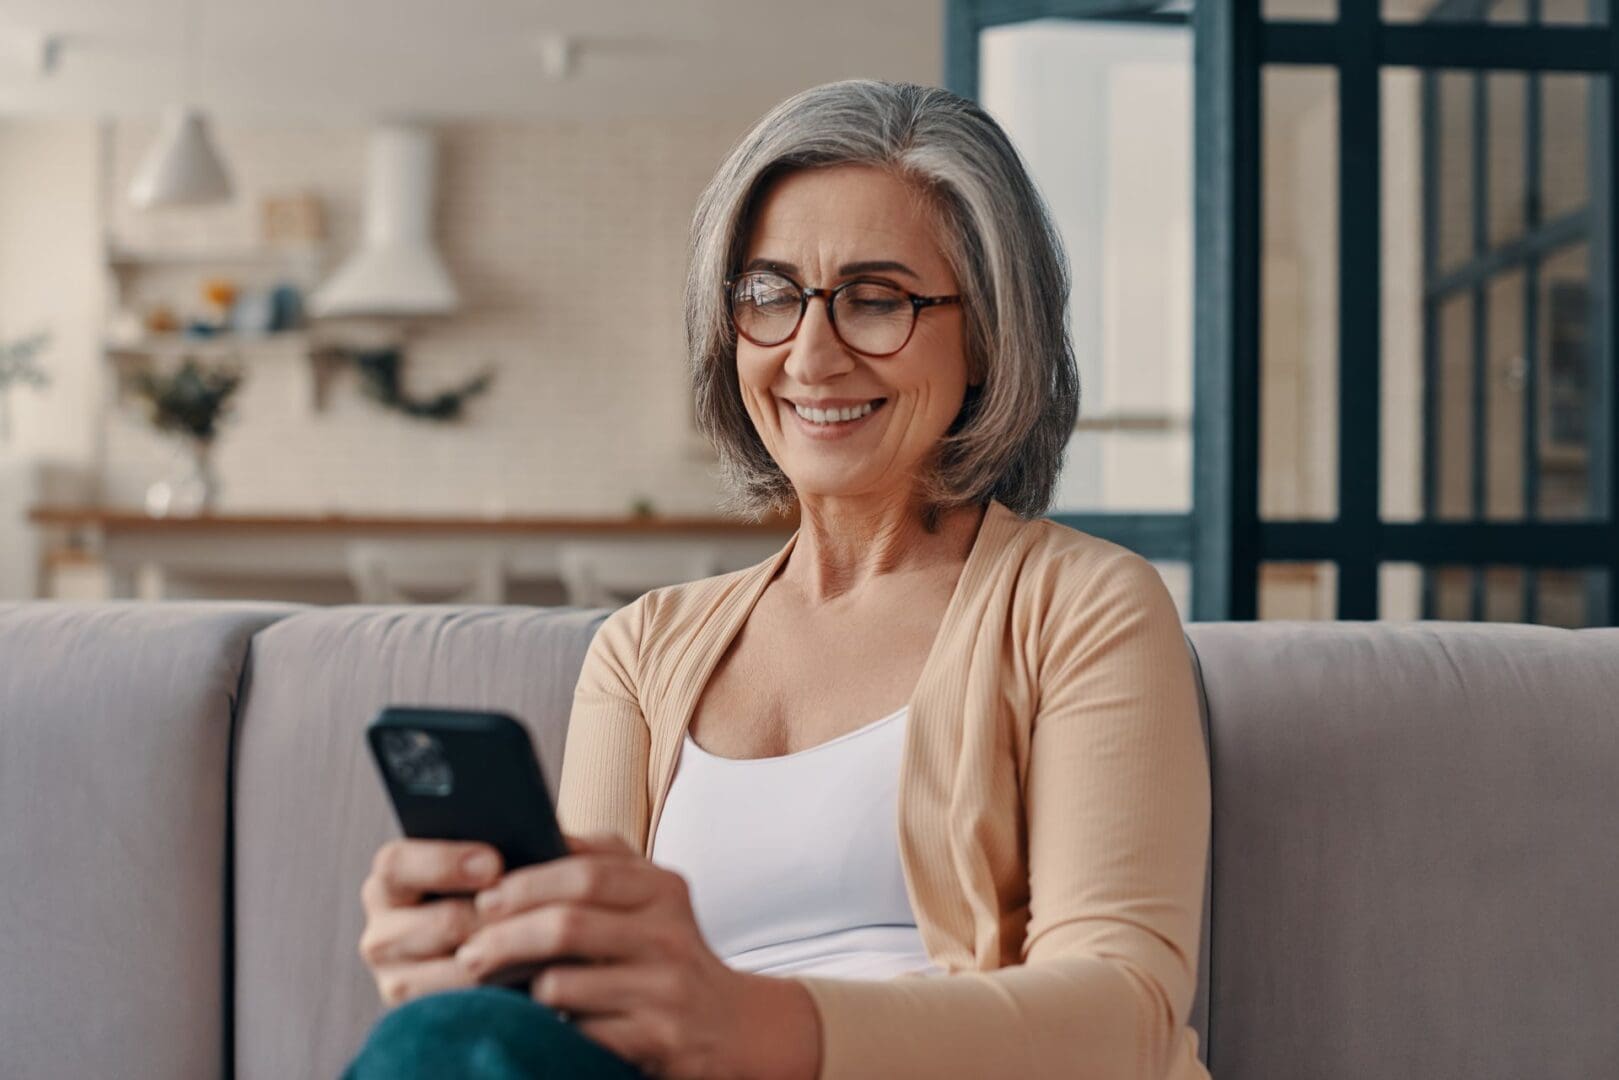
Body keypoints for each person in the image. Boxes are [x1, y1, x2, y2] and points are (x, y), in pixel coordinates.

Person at [348, 78, 1211, 1080]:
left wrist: (753, 1026)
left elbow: (1125, 1013)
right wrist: (479, 964)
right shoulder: (642, 651)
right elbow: (576, 996)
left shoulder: (1083, 606)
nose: (809, 353)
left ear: (985, 333)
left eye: (876, 300)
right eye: (767, 296)